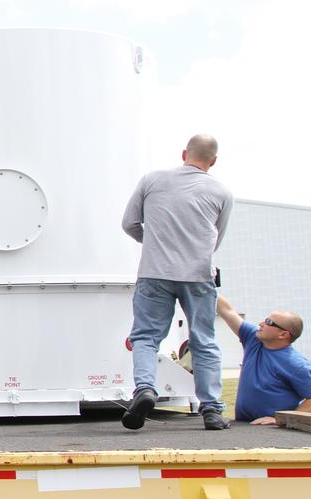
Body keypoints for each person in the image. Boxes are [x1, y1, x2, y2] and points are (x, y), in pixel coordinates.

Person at [121, 134, 233, 431]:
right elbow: (215, 238)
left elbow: (129, 223)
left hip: (155, 272)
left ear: (184, 153)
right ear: (214, 161)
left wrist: (154, 243)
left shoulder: (152, 180)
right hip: (198, 274)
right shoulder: (222, 191)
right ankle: (211, 409)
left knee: (145, 337)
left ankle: (145, 389)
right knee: (203, 339)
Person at [216, 296, 311, 425]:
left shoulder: (296, 364)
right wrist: (206, 281)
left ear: (283, 335)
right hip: (243, 425)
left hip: (271, 431)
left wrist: (282, 420)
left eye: (269, 322)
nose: (261, 324)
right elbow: (227, 311)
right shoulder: (253, 339)